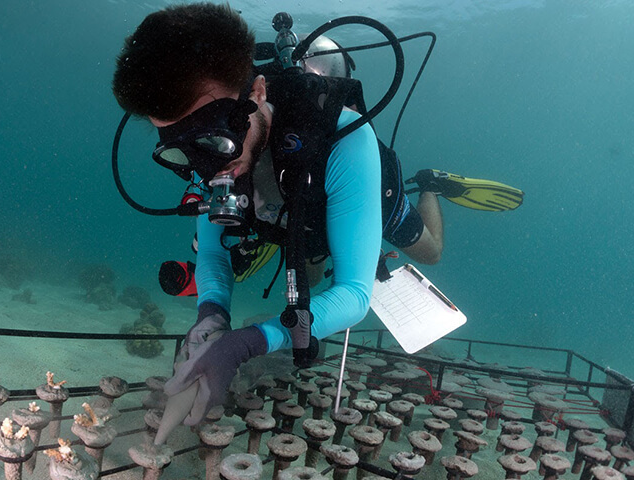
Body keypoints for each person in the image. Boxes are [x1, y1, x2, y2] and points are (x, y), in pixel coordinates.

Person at [112, 3, 523, 428]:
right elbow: (213, 255)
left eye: (213, 140)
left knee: (430, 253)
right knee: (303, 284)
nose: (206, 168)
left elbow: (354, 295)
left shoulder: (346, 138)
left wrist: (244, 345)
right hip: (292, 223)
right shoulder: (209, 159)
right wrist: (211, 317)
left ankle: (431, 185)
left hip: (356, 194)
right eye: (179, 151)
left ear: (255, 94)